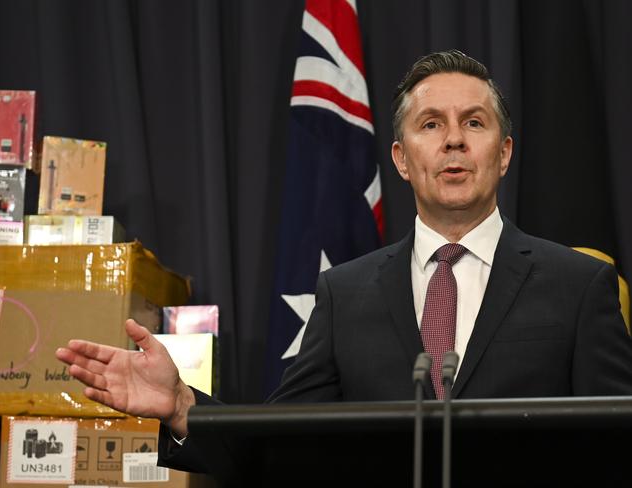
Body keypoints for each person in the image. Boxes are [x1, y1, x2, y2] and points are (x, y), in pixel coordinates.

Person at [55, 50, 632, 475]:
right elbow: (276, 445)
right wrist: (180, 404)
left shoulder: (580, 285)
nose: (454, 141)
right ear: (402, 160)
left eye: (474, 123)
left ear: (503, 153)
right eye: (432, 124)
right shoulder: (345, 293)